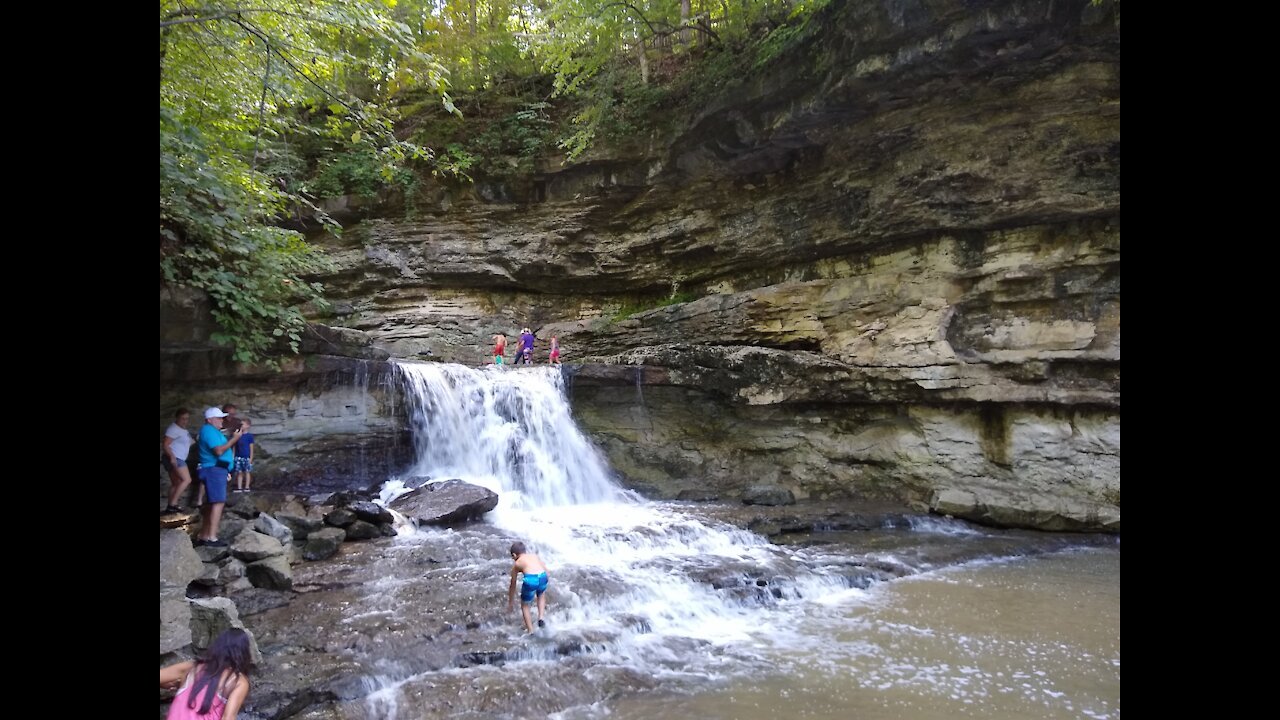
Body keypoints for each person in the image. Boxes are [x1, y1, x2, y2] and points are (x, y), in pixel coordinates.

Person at [160, 628, 254, 720]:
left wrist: (172, 685)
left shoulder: (191, 668)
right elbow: (228, 717)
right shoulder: (238, 681)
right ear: (244, 653)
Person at [195, 407, 243, 547]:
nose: (222, 420)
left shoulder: (213, 431)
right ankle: (212, 537)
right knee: (218, 502)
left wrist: (225, 469)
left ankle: (204, 536)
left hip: (217, 469)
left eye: (222, 418)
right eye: (219, 418)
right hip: (213, 470)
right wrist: (234, 439)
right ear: (210, 420)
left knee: (211, 504)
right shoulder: (208, 430)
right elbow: (218, 451)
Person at [506, 541, 549, 633]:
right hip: (542, 576)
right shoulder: (534, 556)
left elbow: (512, 584)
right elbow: (546, 570)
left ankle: (530, 630)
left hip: (531, 580)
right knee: (541, 594)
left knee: (525, 605)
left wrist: (511, 602)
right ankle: (541, 617)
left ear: (514, 555)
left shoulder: (517, 563)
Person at [162, 409, 195, 515]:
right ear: (177, 418)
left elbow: (189, 442)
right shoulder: (173, 429)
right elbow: (166, 444)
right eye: (182, 418)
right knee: (186, 480)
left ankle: (170, 507)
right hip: (176, 457)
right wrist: (172, 457)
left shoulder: (183, 430)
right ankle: (173, 504)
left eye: (187, 419)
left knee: (176, 483)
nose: (185, 421)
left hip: (177, 457)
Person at [233, 418, 255, 493]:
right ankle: (239, 487)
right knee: (239, 472)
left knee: (247, 472)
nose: (241, 426)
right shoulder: (238, 435)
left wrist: (251, 457)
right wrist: (233, 456)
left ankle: (247, 487)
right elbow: (234, 446)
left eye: (243, 424)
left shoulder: (249, 436)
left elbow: (251, 447)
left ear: (248, 426)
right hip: (238, 457)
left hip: (246, 457)